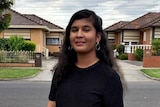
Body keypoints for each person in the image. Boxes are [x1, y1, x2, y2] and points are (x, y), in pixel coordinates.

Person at [47, 9, 126, 107]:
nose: (79, 35)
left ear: (97, 37)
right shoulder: (61, 72)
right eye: (74, 30)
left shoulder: (110, 78)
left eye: (86, 29)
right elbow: (51, 104)